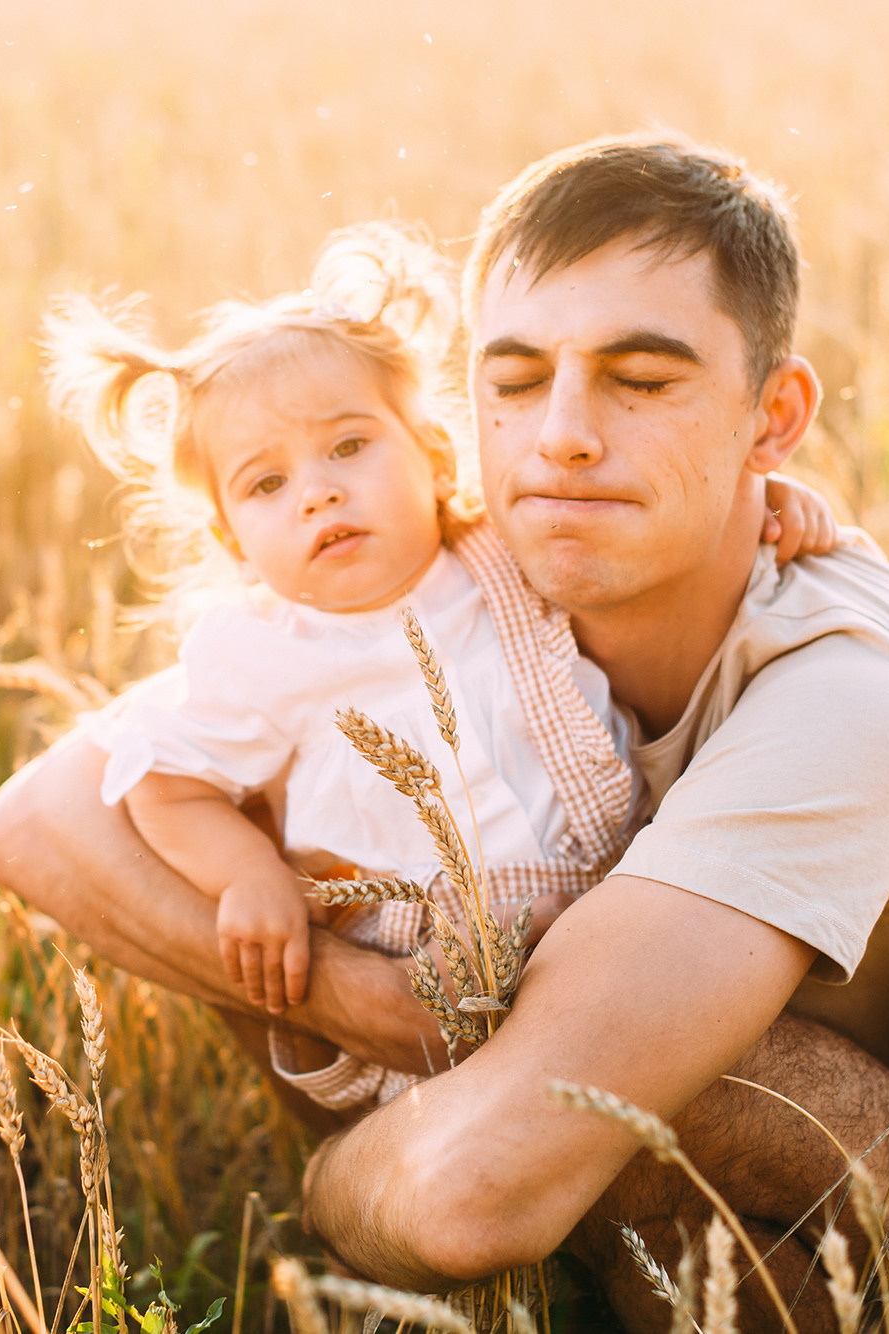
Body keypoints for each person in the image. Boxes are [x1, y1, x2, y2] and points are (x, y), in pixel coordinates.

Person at [0, 135, 889, 1331]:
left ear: (773, 418)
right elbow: (37, 821)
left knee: (607, 1093)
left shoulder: (858, 693)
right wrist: (344, 992)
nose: (558, 436)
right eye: (511, 382)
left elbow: (465, 1194)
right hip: (701, 1185)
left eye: (639, 380)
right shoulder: (473, 590)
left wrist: (335, 1177)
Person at [42, 223, 839, 1113]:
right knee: (488, 1128)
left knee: (671, 1085)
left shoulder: (500, 550)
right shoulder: (258, 654)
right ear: (230, 537)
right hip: (418, 951)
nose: (318, 492)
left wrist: (762, 494)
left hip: (616, 890)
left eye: (349, 447)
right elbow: (165, 782)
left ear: (433, 455)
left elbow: (652, 512)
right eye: (266, 485)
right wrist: (246, 875)